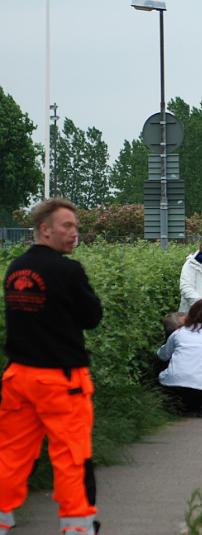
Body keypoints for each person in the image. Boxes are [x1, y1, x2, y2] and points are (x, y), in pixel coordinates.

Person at [0, 198, 103, 535]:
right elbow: (92, 317)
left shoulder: (15, 269)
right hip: (61, 381)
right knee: (71, 458)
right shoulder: (68, 270)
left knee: (11, 456)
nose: (74, 232)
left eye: (75, 226)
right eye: (67, 226)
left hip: (18, 377)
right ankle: (77, 527)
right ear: (45, 230)